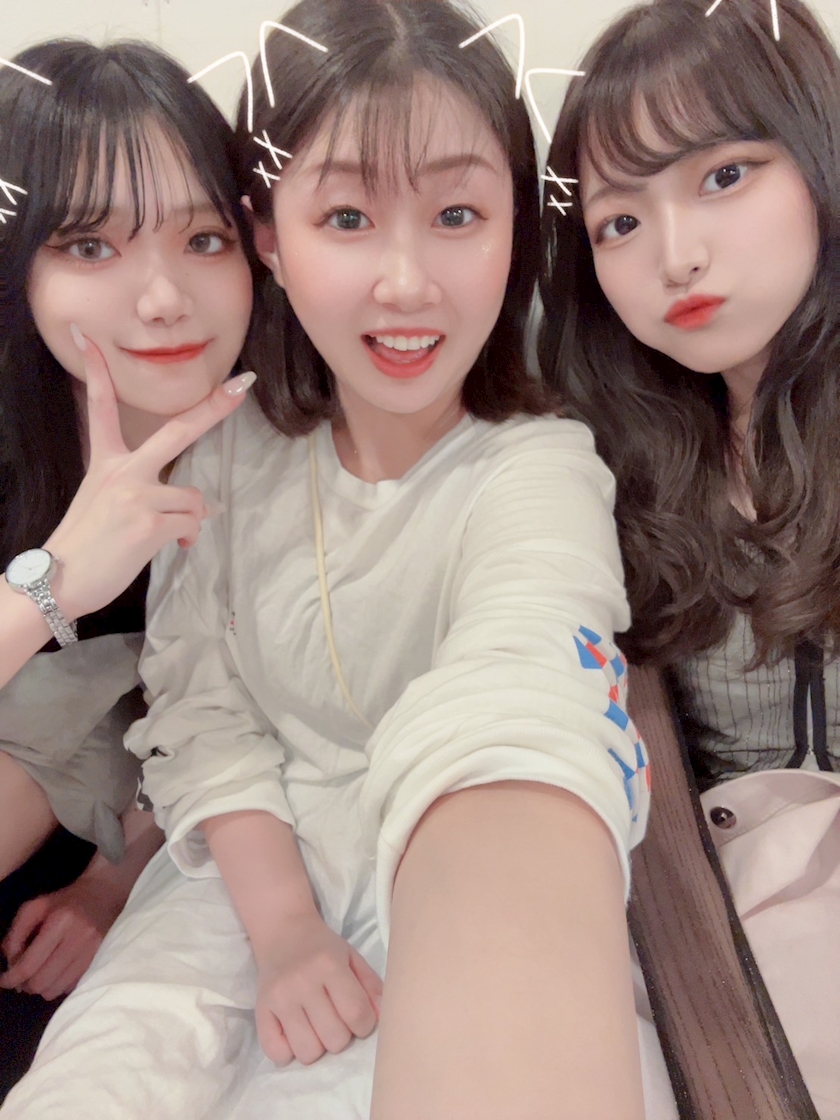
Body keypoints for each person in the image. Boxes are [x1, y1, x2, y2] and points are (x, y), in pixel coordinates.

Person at [1, 4, 659, 1117]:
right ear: (272, 235)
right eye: (348, 216)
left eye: (457, 213)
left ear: (518, 226)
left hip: (432, 888)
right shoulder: (230, 450)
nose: (405, 282)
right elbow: (202, 708)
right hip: (224, 876)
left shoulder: (538, 471)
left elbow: (527, 691)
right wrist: (284, 928)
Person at [539, 0, 840, 1114]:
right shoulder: (602, 456)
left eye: (723, 176)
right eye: (619, 221)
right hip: (696, 916)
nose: (677, 255)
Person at [0, 39, 256, 1097]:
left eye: (203, 238)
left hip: (103, 905)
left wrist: (116, 881)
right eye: (91, 244)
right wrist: (52, 582)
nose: (161, 298)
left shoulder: (285, 450)